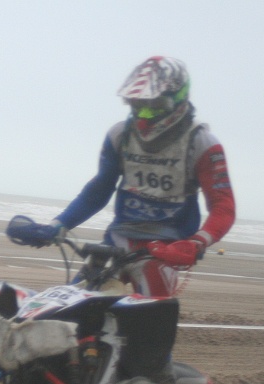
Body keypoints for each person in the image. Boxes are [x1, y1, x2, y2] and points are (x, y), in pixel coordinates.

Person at [45, 55, 235, 297]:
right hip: (118, 239)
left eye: (154, 107)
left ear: (178, 100)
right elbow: (99, 190)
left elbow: (223, 206)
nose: (144, 116)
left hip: (167, 249)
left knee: (149, 321)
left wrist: (197, 242)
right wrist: (57, 225)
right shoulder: (120, 135)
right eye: (137, 106)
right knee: (69, 306)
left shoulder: (202, 144)